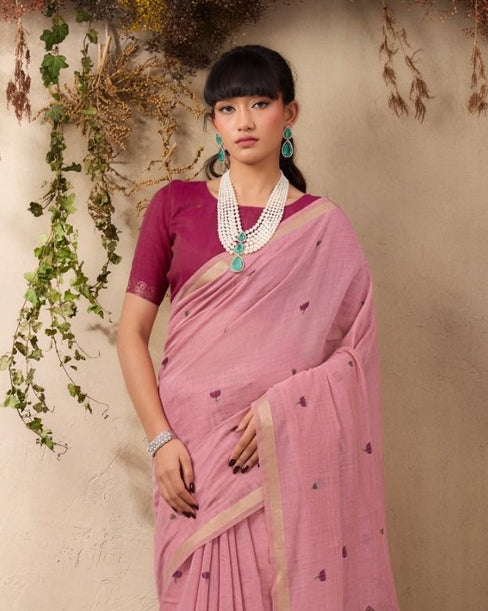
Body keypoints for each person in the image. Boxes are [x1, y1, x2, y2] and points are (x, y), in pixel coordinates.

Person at [117, 44, 398, 611]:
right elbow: (130, 335)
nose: (243, 121)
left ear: (289, 114)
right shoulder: (174, 205)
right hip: (190, 458)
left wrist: (285, 412)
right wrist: (160, 440)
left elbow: (355, 354)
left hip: (279, 459)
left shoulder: (324, 227)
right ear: (214, 122)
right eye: (227, 109)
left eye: (259, 104)